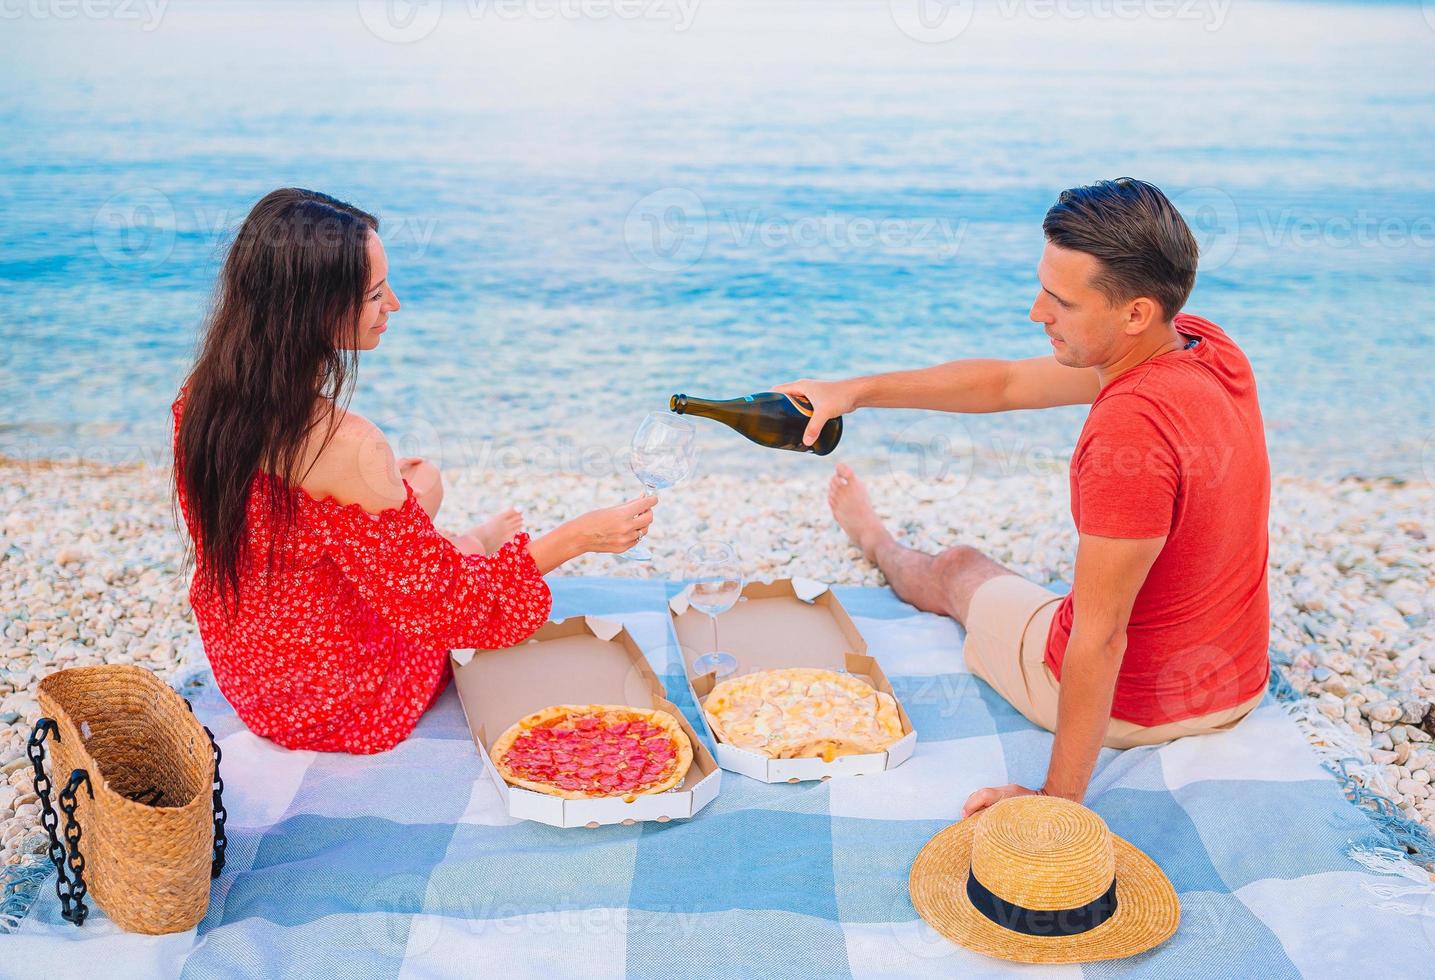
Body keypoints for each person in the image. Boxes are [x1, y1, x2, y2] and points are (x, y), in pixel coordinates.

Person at [776, 178, 1270, 815]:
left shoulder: (1129, 426)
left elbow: (1101, 639)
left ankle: (872, 537)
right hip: (1236, 680)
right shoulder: (1207, 345)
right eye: (1043, 287)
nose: (1037, 312)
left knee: (959, 567)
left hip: (1140, 707)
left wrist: (1055, 802)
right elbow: (1005, 384)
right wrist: (854, 390)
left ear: (1135, 312)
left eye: (1060, 301)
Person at [172, 188, 656, 753]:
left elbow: (287, 538)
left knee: (419, 530)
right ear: (314, 309)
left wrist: (401, 501)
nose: (394, 304)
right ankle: (472, 544)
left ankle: (462, 540)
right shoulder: (346, 444)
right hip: (334, 702)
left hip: (250, 673)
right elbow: (453, 610)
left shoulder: (203, 398)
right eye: (376, 293)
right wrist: (580, 537)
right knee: (449, 571)